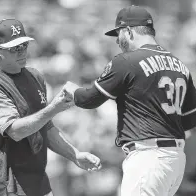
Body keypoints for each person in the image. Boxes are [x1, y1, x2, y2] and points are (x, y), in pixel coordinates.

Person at [63, 5, 196, 196]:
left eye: (118, 33)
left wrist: (73, 90)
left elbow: (89, 100)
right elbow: (190, 120)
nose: (117, 40)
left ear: (128, 31)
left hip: (149, 157)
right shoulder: (180, 65)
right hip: (175, 160)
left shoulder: (127, 61)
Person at [0, 19, 101, 196]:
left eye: (24, 45)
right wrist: (54, 108)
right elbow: (15, 131)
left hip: (39, 180)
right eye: (14, 48)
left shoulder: (35, 76)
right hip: (8, 184)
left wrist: (75, 154)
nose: (21, 52)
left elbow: (46, 126)